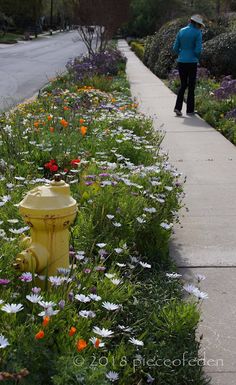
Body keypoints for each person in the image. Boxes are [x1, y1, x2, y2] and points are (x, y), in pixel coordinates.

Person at [173, 15, 205, 116]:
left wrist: (182, 54)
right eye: (199, 24)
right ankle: (190, 110)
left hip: (181, 61)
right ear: (196, 23)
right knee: (191, 85)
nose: (199, 26)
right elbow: (198, 50)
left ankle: (177, 108)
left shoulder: (181, 31)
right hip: (192, 62)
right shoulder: (197, 32)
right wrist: (197, 56)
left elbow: (175, 48)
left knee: (183, 85)